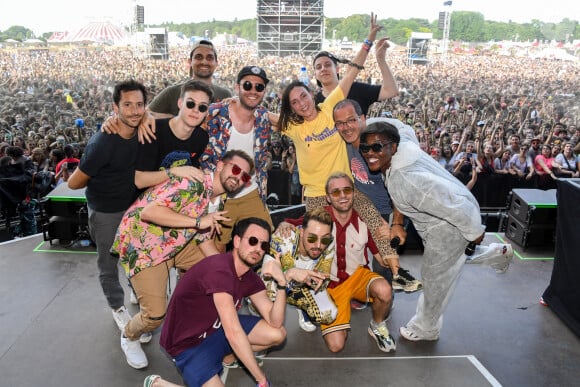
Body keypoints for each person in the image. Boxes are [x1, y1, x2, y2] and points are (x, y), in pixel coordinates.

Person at [275, 12, 400, 276]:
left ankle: (396, 272)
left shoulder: (330, 105)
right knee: (318, 243)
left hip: (346, 188)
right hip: (316, 196)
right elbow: (260, 115)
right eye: (294, 103)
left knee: (376, 223)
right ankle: (315, 290)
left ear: (312, 93)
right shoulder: (293, 127)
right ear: (291, 109)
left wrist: (368, 40)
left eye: (303, 97)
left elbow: (352, 71)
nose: (301, 103)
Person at [110, 149, 253, 369]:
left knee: (217, 277)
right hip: (143, 247)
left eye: (244, 176)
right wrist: (198, 221)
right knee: (155, 315)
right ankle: (129, 335)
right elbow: (149, 212)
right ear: (221, 165)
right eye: (235, 169)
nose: (238, 177)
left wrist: (228, 274)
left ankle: (200, 333)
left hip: (176, 242)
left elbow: (204, 240)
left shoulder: (216, 199)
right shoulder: (193, 183)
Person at [360, 120, 486, 342]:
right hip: (444, 217)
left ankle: (426, 328)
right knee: (453, 261)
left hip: (449, 225)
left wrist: (475, 232)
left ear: (393, 147)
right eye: (365, 148)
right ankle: (496, 254)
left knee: (434, 279)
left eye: (377, 147)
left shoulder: (406, 180)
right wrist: (397, 222)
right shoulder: (403, 146)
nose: (370, 152)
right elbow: (403, 128)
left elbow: (455, 205)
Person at [146, 217, 287, 387]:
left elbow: (275, 321)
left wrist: (282, 284)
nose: (258, 249)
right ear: (236, 241)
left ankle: (227, 357)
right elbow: (233, 334)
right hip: (187, 345)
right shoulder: (220, 270)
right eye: (253, 241)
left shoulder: (248, 276)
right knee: (235, 336)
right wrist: (262, 381)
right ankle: (158, 384)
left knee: (277, 334)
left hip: (216, 329)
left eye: (264, 245)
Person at [67, 80, 148, 336]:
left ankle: (137, 292)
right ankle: (117, 307)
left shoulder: (145, 131)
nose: (135, 111)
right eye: (127, 105)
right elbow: (73, 182)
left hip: (135, 208)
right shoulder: (102, 143)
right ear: (115, 107)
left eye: (139, 105)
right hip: (105, 212)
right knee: (109, 262)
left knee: (136, 255)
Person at [332, 99, 422, 293]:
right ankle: (363, 295)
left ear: (363, 119)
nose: (346, 127)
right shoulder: (343, 143)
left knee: (382, 266)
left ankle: (384, 306)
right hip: (362, 208)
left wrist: (394, 223)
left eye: (351, 120)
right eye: (340, 123)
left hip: (389, 210)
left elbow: (400, 186)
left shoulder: (379, 146)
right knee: (357, 256)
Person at [199, 65, 275, 251]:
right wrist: (146, 120)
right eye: (247, 85)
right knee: (213, 255)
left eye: (259, 87)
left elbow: (289, 123)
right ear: (237, 87)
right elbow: (184, 122)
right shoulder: (215, 112)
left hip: (251, 193)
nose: (253, 91)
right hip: (218, 196)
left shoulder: (263, 117)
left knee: (265, 245)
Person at [321, 172, 395, 353]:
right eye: (336, 192)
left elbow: (382, 259)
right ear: (328, 198)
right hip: (330, 286)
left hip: (358, 277)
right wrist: (286, 225)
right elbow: (294, 226)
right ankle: (320, 309)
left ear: (354, 193)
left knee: (385, 291)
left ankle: (377, 325)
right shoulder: (318, 218)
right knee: (336, 345)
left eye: (347, 190)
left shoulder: (365, 219)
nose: (343, 196)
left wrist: (392, 235)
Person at [263, 207, 336, 332]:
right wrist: (290, 274)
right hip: (276, 285)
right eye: (312, 238)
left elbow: (324, 281)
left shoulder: (329, 243)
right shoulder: (282, 240)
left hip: (303, 287)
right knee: (266, 297)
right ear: (301, 232)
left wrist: (315, 281)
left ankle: (300, 305)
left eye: (324, 239)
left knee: (328, 314)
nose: (318, 245)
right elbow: (265, 282)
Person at [134, 80, 212, 190]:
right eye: (190, 104)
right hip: (143, 202)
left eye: (202, 107)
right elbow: (139, 180)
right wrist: (174, 171)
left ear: (206, 111)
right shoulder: (152, 131)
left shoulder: (201, 138)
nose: (195, 110)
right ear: (180, 103)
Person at [312, 34, 398, 116]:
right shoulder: (313, 103)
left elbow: (391, 91)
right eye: (318, 67)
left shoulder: (356, 89)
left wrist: (381, 59)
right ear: (315, 74)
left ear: (337, 69)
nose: (323, 69)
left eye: (327, 65)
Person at [147, 40, 232, 118]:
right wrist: (175, 119)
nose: (204, 62)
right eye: (199, 57)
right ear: (190, 62)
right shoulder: (172, 93)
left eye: (209, 58)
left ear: (216, 63)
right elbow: (147, 115)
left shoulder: (224, 95)